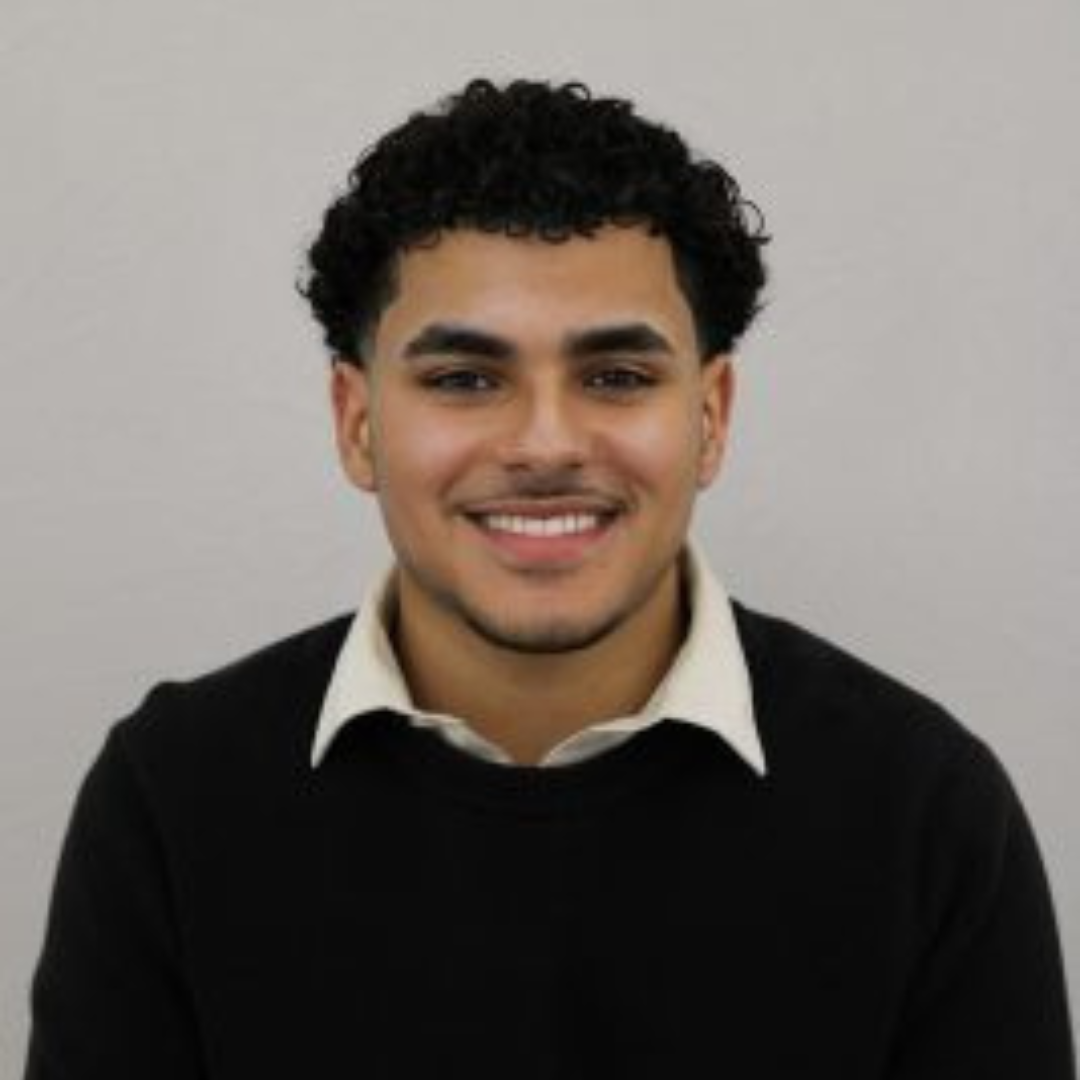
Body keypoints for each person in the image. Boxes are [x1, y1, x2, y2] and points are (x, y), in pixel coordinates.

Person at [24, 78, 1075, 1079]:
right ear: (357, 423)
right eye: (466, 379)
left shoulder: (925, 814)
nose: (544, 442)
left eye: (616, 376)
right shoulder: (173, 799)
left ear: (710, 418)